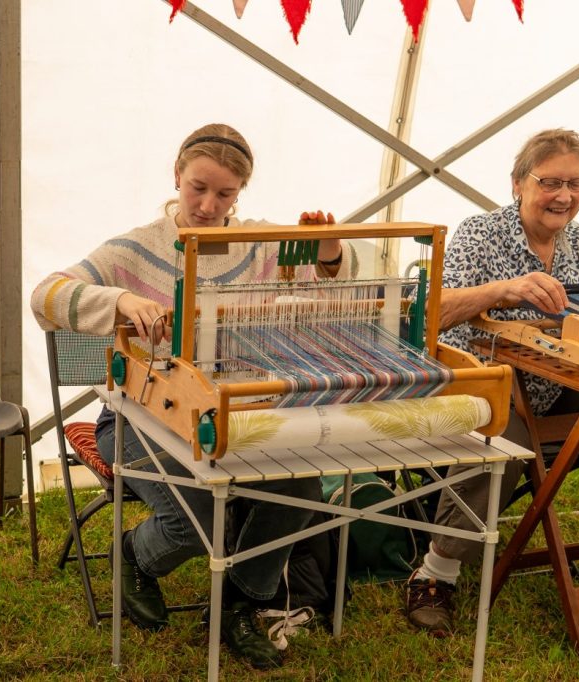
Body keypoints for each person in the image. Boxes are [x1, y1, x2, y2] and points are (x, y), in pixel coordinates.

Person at [31, 123, 354, 669]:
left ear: (240, 194)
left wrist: (328, 250)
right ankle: (134, 554)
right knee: (202, 517)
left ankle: (236, 605)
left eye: (224, 194)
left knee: (299, 485)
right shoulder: (135, 249)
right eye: (197, 187)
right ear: (176, 176)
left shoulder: (259, 246)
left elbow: (326, 294)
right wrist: (120, 299)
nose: (208, 204)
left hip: (236, 412)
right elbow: (45, 296)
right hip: (137, 419)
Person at [405, 128, 579, 638]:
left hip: (554, 385)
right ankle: (435, 573)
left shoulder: (578, 243)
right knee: (498, 438)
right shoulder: (480, 234)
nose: (565, 197)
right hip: (475, 384)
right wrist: (505, 290)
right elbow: (428, 313)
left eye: (575, 184)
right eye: (551, 182)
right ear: (517, 184)